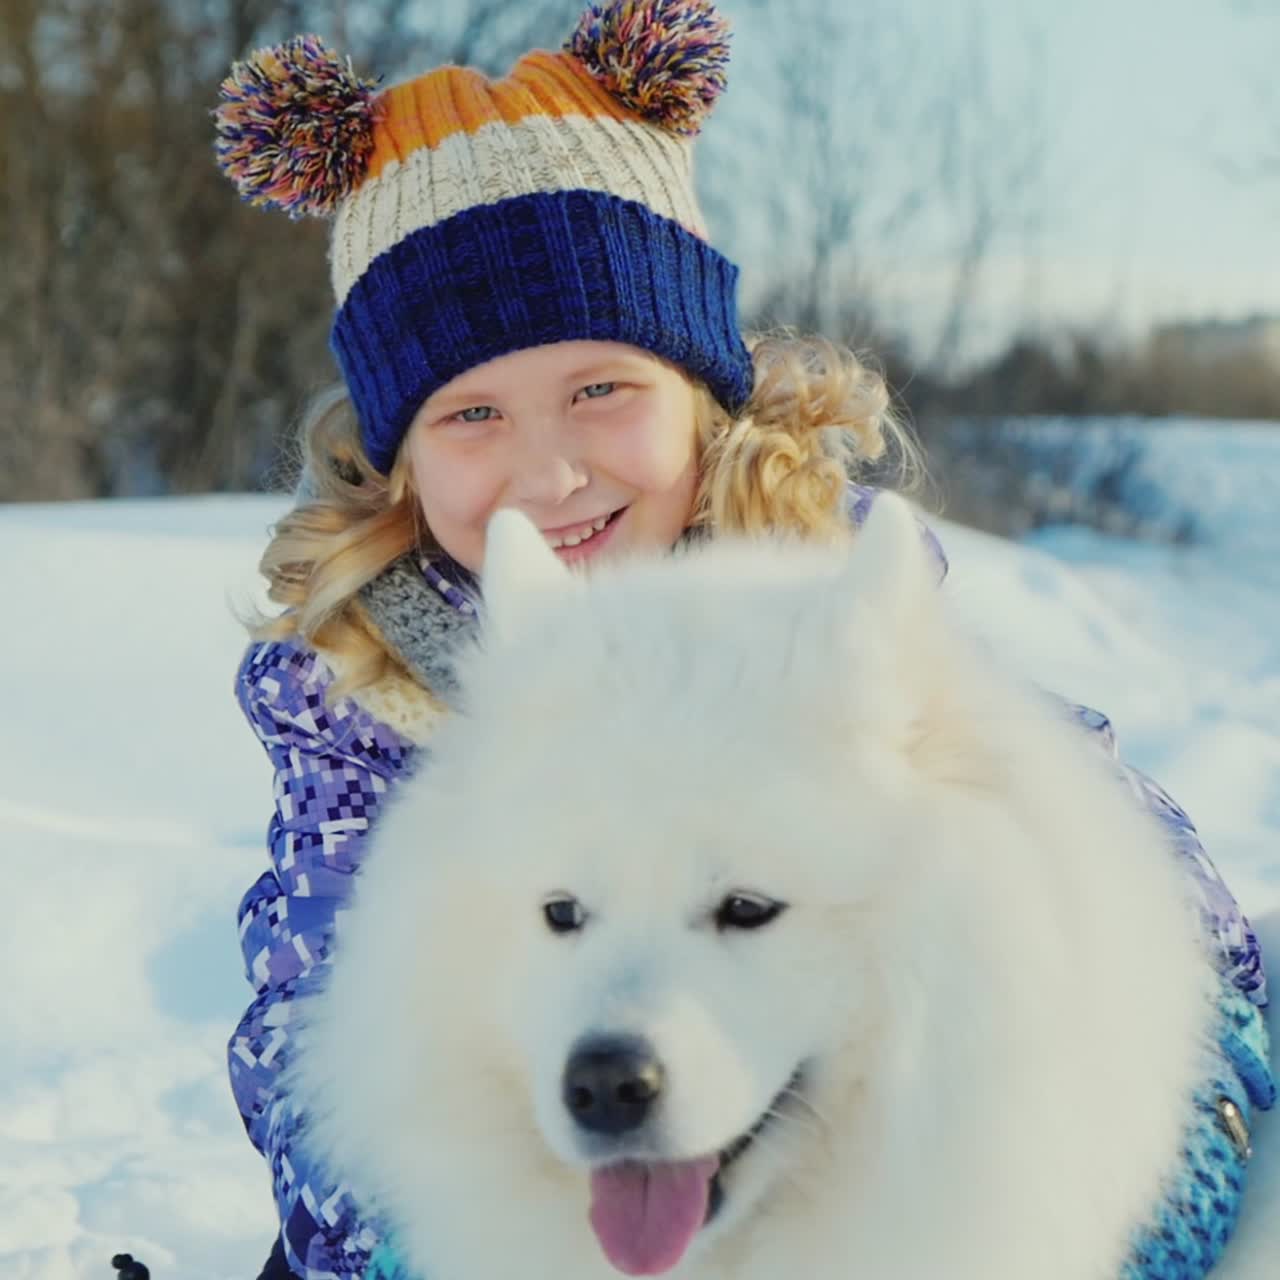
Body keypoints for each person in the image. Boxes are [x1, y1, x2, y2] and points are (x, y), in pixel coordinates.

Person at [214, 3, 1270, 1277]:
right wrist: (398, 1226)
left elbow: (1090, 822)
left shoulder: (828, 608)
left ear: (702, 400)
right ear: (397, 456)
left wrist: (1191, 1088)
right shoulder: (359, 693)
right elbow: (312, 1009)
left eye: (601, 389)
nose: (547, 472)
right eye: (471, 412)